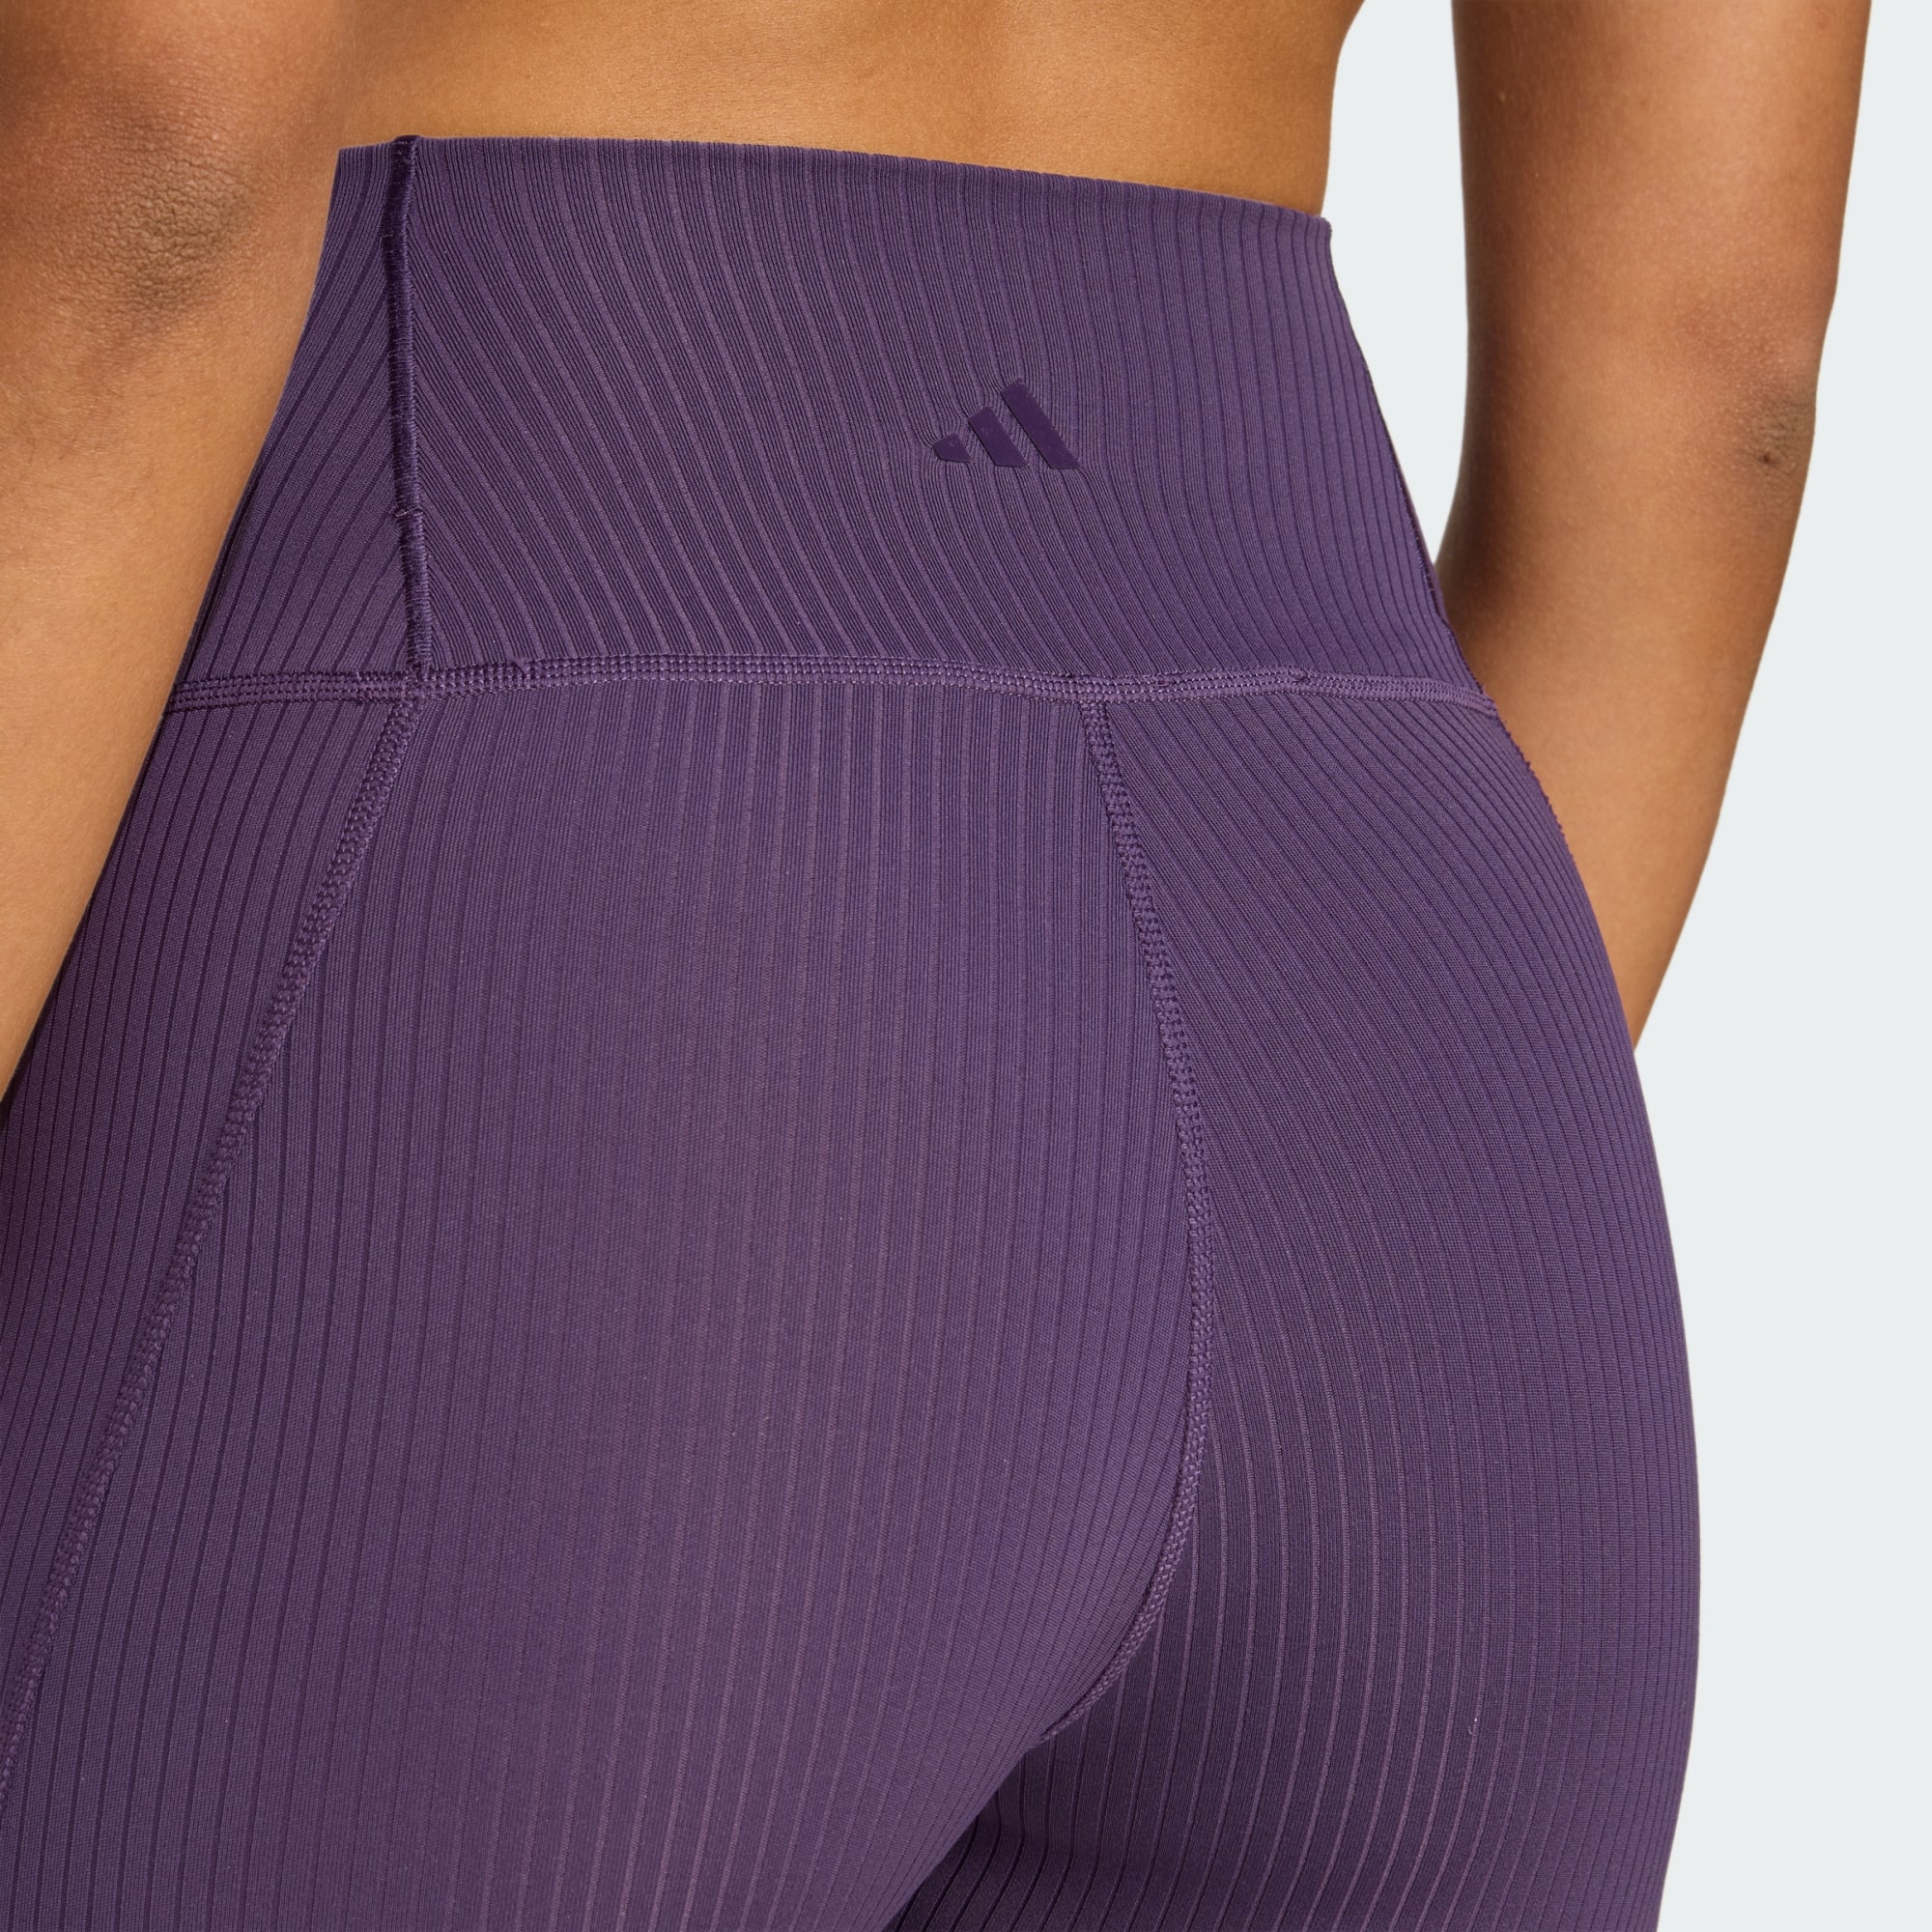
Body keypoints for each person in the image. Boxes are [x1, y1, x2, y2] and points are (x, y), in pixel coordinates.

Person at [0, 3, 1867, 1926]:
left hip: (568, 915)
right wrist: (1371, 1138)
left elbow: (156, 126)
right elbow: (1716, 354)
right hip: (1396, 1025)